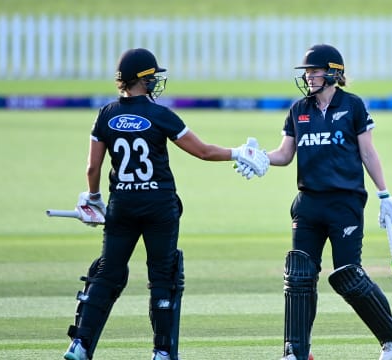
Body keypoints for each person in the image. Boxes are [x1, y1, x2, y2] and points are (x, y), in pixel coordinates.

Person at [63, 48, 269, 360]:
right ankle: (161, 352)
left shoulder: (105, 114)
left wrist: (92, 199)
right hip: (159, 206)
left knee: (107, 273)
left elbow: (92, 168)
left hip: (122, 205)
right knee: (163, 276)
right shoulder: (160, 115)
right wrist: (237, 152)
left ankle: (80, 345)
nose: (156, 81)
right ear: (142, 80)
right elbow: (202, 151)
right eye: (153, 77)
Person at [240, 44, 392, 360]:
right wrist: (260, 158)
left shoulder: (353, 106)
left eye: (315, 71)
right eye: (307, 72)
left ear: (333, 73)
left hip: (345, 203)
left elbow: (368, 152)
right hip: (308, 203)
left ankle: (391, 338)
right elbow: (285, 154)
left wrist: (384, 194)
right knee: (299, 275)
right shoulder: (298, 109)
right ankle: (295, 352)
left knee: (348, 275)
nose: (309, 77)